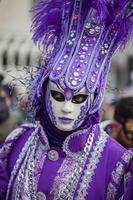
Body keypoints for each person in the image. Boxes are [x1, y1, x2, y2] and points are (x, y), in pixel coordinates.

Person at [0, 0, 133, 199]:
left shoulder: (117, 163)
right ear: (44, 92)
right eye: (58, 95)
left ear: (94, 100)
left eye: (80, 98)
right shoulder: (17, 142)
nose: (67, 109)